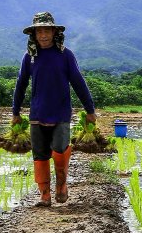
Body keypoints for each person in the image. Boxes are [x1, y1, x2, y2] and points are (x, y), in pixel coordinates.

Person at [12, 12, 96, 207]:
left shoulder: (65, 55)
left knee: (60, 149)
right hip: (37, 114)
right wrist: (15, 112)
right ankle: (44, 194)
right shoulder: (29, 57)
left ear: (54, 32)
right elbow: (21, 84)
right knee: (39, 155)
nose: (43, 35)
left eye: (47, 30)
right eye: (39, 31)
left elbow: (78, 83)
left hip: (60, 114)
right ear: (34, 34)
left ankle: (61, 185)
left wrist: (90, 109)